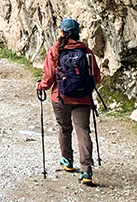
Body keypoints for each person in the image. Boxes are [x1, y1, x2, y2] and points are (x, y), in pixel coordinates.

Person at [37, 17, 102, 186]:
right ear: (77, 32)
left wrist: (41, 86)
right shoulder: (86, 51)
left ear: (62, 32)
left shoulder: (55, 51)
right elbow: (96, 76)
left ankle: (67, 160)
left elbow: (49, 76)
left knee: (65, 129)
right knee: (83, 131)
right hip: (83, 98)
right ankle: (87, 170)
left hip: (61, 97)